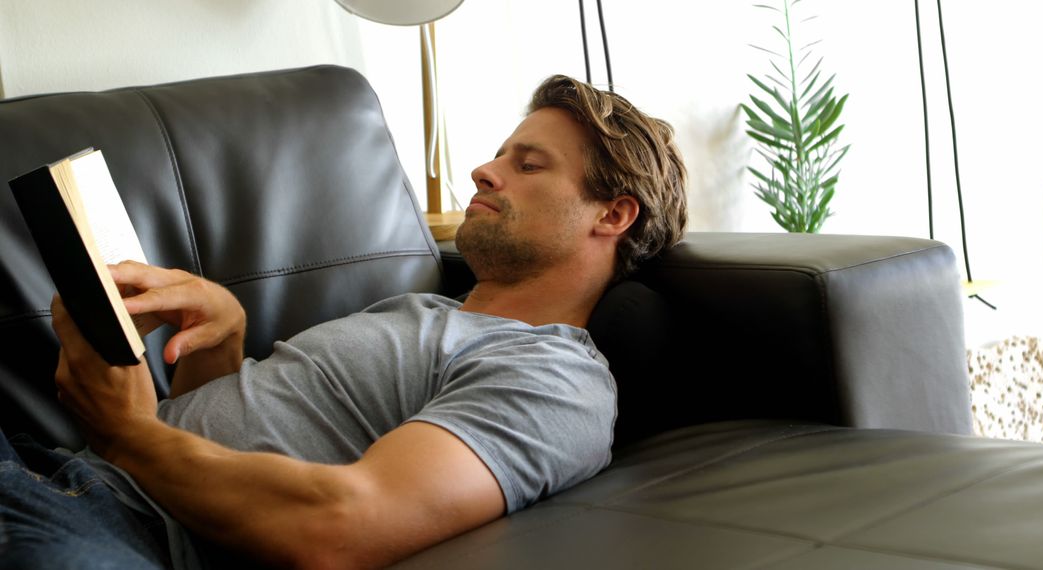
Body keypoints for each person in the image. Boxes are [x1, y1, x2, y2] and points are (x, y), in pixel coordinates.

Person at [0, 74, 687, 569]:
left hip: (107, 526)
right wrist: (223, 337)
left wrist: (124, 434)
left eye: (528, 164)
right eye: (501, 153)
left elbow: (337, 529)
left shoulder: (556, 376)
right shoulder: (424, 311)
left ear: (613, 214)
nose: (483, 170)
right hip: (45, 469)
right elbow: (239, 437)